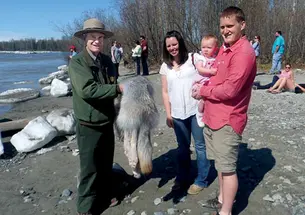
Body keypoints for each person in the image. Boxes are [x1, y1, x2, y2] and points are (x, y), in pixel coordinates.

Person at [192, 6, 256, 215]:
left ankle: (226, 211)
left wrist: (202, 90)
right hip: (212, 117)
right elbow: (214, 75)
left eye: (230, 26)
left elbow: (230, 90)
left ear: (242, 25)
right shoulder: (224, 50)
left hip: (228, 121)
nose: (226, 30)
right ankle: (221, 199)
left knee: (228, 170)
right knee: (220, 164)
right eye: (222, 27)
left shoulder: (244, 52)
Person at [69, 18, 123, 215]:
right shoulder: (77, 63)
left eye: (100, 37)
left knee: (105, 163)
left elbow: (112, 86)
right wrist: (117, 88)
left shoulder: (108, 61)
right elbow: (88, 90)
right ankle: (85, 208)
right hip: (88, 124)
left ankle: (104, 195)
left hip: (106, 121)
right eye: (93, 37)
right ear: (85, 38)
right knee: (89, 168)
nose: (97, 41)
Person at [160, 30, 210, 196]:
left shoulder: (193, 59)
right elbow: (165, 91)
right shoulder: (164, 67)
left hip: (195, 110)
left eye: (174, 44)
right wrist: (168, 114)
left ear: (180, 43)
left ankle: (201, 179)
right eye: (169, 46)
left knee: (200, 146)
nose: (172, 48)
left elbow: (211, 66)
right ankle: (183, 178)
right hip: (177, 114)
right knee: (182, 148)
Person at [192, 34, 218, 127]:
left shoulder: (215, 58)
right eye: (203, 47)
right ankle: (199, 114)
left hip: (208, 83)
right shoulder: (201, 58)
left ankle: (207, 114)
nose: (205, 50)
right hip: (200, 82)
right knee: (202, 100)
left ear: (215, 48)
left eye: (209, 47)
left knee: (209, 101)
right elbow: (199, 69)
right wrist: (210, 71)